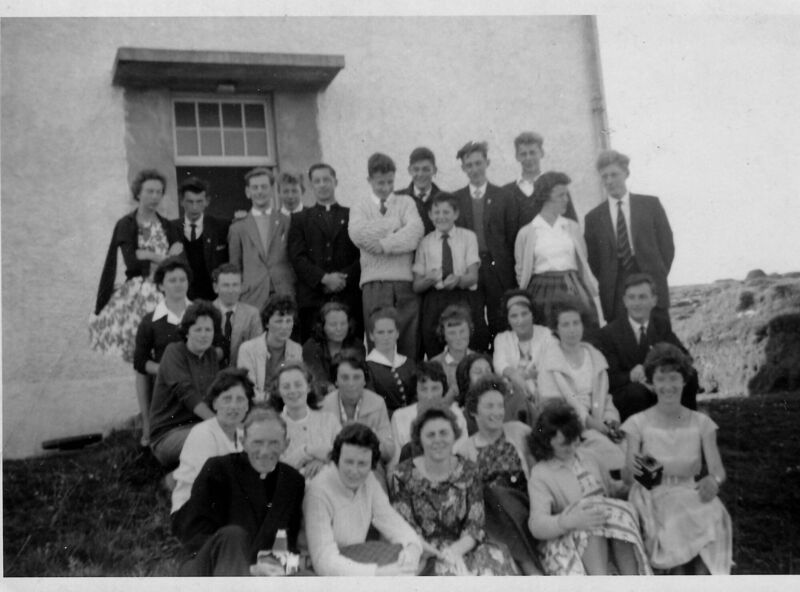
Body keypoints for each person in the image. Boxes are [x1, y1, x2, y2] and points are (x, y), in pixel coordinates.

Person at [622, 344, 732, 574]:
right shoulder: (637, 423)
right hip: (652, 495)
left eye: (674, 378)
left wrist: (714, 481)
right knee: (676, 517)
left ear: (684, 381)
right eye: (661, 379)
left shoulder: (701, 422)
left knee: (713, 511)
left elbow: (718, 470)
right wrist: (644, 470)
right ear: (651, 383)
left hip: (691, 491)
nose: (668, 386)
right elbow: (629, 476)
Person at [172, 406, 305, 576]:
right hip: (210, 567)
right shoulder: (219, 469)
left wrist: (278, 566)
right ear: (243, 442)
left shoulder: (293, 481)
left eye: (274, 443)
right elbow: (194, 535)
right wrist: (249, 569)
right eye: (257, 442)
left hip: (264, 570)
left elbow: (288, 539)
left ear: (286, 444)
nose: (265, 452)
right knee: (233, 535)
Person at [527, 400, 651, 575]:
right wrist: (566, 521)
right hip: (571, 536)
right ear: (547, 442)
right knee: (590, 518)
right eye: (564, 444)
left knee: (619, 514)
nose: (572, 447)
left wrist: (632, 480)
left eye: (575, 440)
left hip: (607, 525)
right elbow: (536, 524)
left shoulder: (589, 456)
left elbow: (612, 492)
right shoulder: (541, 473)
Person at [390, 406, 519, 575]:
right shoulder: (402, 474)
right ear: (419, 439)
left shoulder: (469, 471)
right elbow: (406, 528)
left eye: (444, 433)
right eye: (430, 435)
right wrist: (441, 556)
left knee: (496, 566)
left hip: (464, 546)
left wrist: (455, 552)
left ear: (454, 436)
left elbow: (475, 524)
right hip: (423, 552)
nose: (438, 440)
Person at [304, 424, 423, 576]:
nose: (354, 471)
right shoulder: (318, 491)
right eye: (348, 462)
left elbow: (391, 520)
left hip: (354, 559)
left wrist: (412, 547)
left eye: (362, 464)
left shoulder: (369, 481)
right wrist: (378, 573)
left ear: (372, 464)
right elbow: (323, 560)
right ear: (336, 458)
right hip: (318, 570)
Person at [90, 169, 183, 362]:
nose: (155, 196)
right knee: (141, 356)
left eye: (159, 192)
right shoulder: (127, 224)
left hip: (168, 291)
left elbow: (178, 261)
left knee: (167, 351)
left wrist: (149, 254)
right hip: (139, 292)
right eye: (150, 191)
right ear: (138, 193)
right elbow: (132, 260)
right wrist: (165, 256)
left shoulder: (168, 225)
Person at [453, 375, 539, 574]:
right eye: (489, 406)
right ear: (474, 411)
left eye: (500, 406)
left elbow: (538, 473)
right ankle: (528, 567)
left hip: (526, 509)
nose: (497, 412)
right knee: (490, 496)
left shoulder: (520, 432)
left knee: (497, 495)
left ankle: (529, 567)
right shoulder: (464, 450)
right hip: (494, 522)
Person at [592, 273, 699, 422]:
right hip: (628, 393)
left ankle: (685, 428)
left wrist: (657, 370)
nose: (636, 303)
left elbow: (685, 357)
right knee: (637, 392)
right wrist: (631, 375)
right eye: (631, 297)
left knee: (691, 375)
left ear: (654, 300)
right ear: (624, 301)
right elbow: (609, 377)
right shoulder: (609, 333)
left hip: (657, 383)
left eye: (642, 297)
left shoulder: (661, 325)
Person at [348, 152, 424, 359]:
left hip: (404, 283)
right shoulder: (360, 206)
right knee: (378, 341)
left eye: (390, 182)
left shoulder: (406, 202)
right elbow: (358, 235)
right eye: (380, 183)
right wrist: (394, 224)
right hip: (374, 284)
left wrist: (384, 245)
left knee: (409, 341)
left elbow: (415, 232)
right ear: (369, 180)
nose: (386, 187)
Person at [584, 149, 675, 323]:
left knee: (658, 337)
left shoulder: (650, 205)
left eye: (614, 175)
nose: (609, 181)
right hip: (616, 284)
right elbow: (594, 260)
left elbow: (667, 246)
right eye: (604, 177)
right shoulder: (593, 218)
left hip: (649, 279)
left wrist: (657, 276)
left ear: (626, 173)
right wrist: (609, 279)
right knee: (623, 341)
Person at [538, 302, 625, 470]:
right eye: (565, 324)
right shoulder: (549, 362)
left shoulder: (595, 357)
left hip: (600, 423)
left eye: (576, 323)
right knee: (614, 456)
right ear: (556, 329)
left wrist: (610, 420)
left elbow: (605, 398)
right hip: (570, 429)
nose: (572, 329)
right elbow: (552, 408)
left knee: (630, 448)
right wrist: (588, 421)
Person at [515, 171, 603, 331]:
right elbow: (521, 270)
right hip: (541, 292)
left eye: (566, 194)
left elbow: (583, 260)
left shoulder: (572, 227)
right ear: (545, 197)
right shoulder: (527, 232)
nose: (566, 200)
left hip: (573, 288)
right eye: (561, 195)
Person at [451, 141, 521, 339]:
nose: (474, 169)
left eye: (478, 163)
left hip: (497, 268)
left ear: (487, 163)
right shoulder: (456, 199)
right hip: (469, 268)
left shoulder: (504, 197)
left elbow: (512, 236)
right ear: (463, 168)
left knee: (500, 319)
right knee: (473, 320)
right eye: (469, 165)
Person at [288, 163, 362, 343]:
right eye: (317, 181)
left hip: (347, 296)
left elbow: (362, 255)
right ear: (311, 185)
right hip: (313, 299)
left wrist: (342, 278)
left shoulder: (353, 215)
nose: (322, 185)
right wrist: (323, 278)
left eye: (326, 180)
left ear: (335, 182)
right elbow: (297, 257)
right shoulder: (300, 219)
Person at [412, 192, 489, 358]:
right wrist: (429, 279)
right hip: (436, 299)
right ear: (430, 215)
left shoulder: (468, 237)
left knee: (471, 344)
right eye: (437, 212)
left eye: (446, 212)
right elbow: (417, 285)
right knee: (435, 345)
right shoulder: (425, 242)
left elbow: (473, 276)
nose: (441, 217)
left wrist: (459, 279)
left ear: (456, 214)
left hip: (463, 296)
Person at [148, 301, 222, 468]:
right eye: (198, 329)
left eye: (208, 330)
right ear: (187, 332)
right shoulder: (174, 352)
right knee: (216, 440)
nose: (203, 335)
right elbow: (187, 394)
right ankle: (172, 483)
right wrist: (220, 425)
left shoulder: (210, 355)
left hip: (198, 427)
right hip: (167, 436)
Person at [171, 368, 255, 513]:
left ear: (247, 405)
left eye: (240, 399)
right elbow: (210, 484)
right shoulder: (204, 433)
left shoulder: (243, 435)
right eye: (227, 399)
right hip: (194, 510)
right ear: (215, 403)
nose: (233, 406)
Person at [133, 257, 193, 447]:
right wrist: (167, 369)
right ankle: (148, 424)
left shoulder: (201, 313)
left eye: (182, 280)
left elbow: (220, 348)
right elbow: (140, 361)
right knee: (141, 376)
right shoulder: (150, 321)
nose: (178, 285)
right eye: (172, 280)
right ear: (161, 286)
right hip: (166, 385)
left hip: (196, 381)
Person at [228, 167, 295, 311]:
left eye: (264, 187)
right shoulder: (238, 227)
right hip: (253, 295)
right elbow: (235, 267)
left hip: (283, 291)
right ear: (248, 192)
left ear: (272, 190)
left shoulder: (287, 221)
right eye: (255, 187)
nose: (259, 191)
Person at [389, 361, 469, 474]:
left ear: (443, 389)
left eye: (435, 388)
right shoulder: (400, 416)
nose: (429, 395)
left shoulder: (456, 415)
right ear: (416, 391)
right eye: (423, 389)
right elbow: (396, 462)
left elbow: (462, 455)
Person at [269, 361, 340, 481]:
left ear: (308, 387)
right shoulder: (272, 427)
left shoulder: (329, 420)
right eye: (286, 386)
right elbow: (276, 468)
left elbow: (343, 454)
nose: (292, 391)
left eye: (298, 385)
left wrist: (323, 461)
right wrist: (307, 451)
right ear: (278, 392)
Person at [321, 351, 395, 465]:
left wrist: (367, 433)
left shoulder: (377, 403)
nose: (351, 383)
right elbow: (319, 445)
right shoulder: (324, 405)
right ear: (336, 381)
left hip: (369, 465)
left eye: (357, 377)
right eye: (345, 378)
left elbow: (389, 452)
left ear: (365, 380)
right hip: (333, 464)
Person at [493, 290, 557, 419]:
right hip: (514, 393)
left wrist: (522, 376)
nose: (520, 320)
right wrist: (515, 375)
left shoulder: (546, 334)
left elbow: (551, 364)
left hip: (545, 391)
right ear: (508, 319)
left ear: (532, 314)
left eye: (524, 314)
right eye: (514, 316)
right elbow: (500, 365)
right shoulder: (502, 338)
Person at [237, 294, 302, 401]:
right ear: (267, 323)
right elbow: (248, 390)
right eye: (279, 321)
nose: (284, 327)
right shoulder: (247, 349)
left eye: (288, 321)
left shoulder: (296, 349)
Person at [175, 176, 229, 301]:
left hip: (215, 300)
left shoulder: (221, 227)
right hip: (183, 300)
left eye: (199, 201)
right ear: (181, 202)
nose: (194, 207)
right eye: (190, 201)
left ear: (207, 201)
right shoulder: (171, 228)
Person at [302, 302, 366, 395]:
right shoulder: (311, 347)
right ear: (322, 326)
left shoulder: (357, 345)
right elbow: (318, 380)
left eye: (343, 323)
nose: (339, 328)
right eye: (333, 325)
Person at [365, 307, 417, 416]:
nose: (386, 337)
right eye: (380, 332)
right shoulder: (367, 367)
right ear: (371, 336)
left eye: (390, 332)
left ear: (397, 333)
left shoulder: (408, 363)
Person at [211, 263, 262, 368]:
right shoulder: (206, 312)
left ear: (241, 287)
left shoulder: (252, 314)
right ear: (216, 287)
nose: (231, 290)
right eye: (226, 285)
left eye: (235, 285)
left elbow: (257, 351)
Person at [429, 304, 477, 404]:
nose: (458, 337)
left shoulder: (479, 361)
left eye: (462, 331)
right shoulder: (434, 364)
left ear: (470, 330)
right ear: (444, 335)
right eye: (452, 333)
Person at [395, 146, 443, 235]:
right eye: (416, 169)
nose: (420, 174)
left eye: (426, 169)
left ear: (434, 170)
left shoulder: (445, 199)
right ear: (409, 170)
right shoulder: (396, 199)